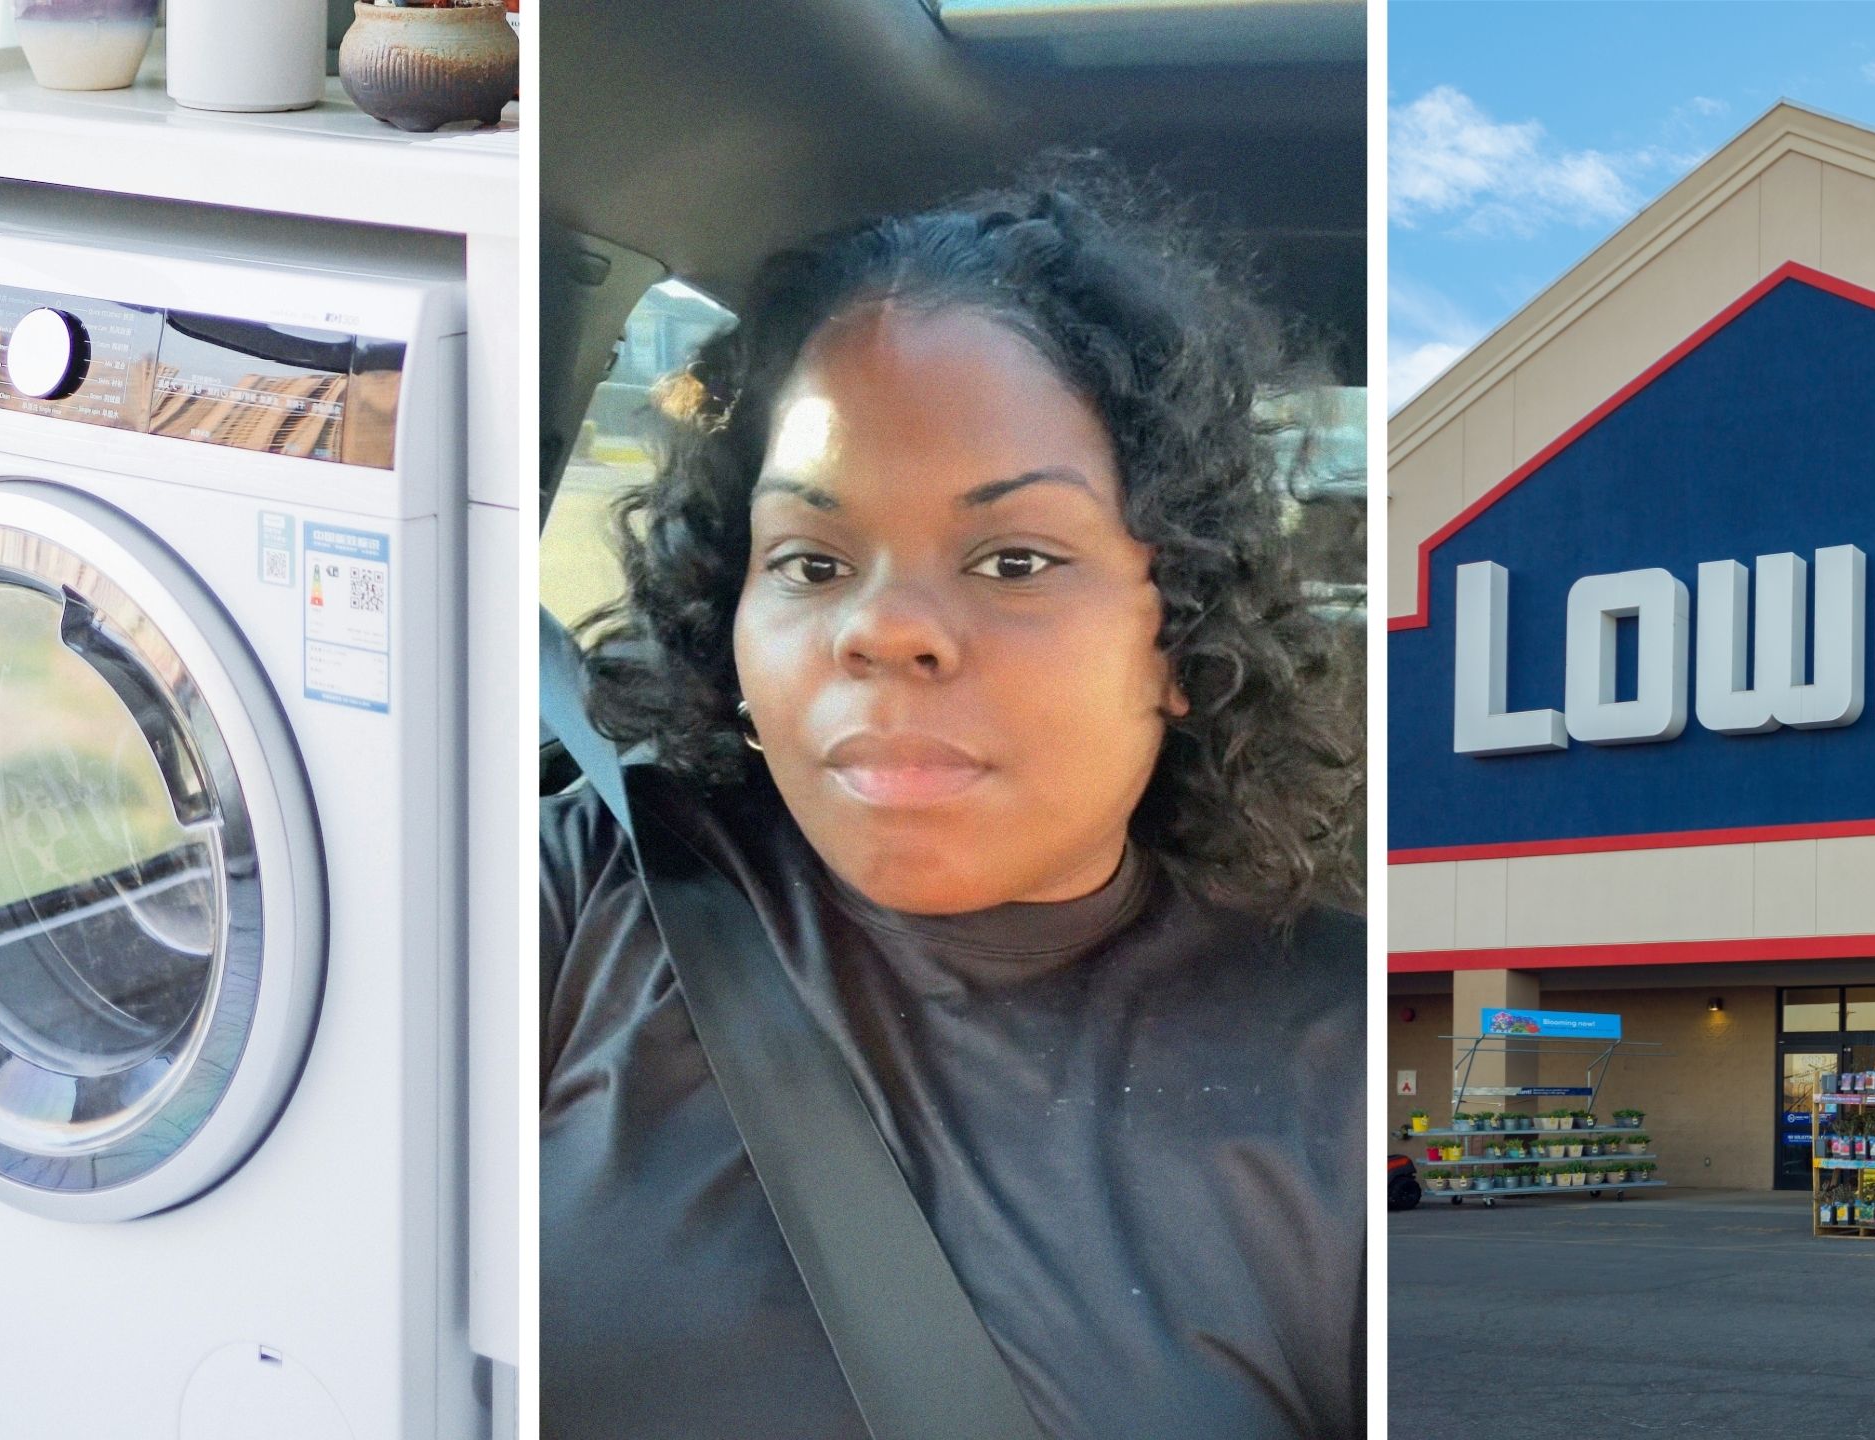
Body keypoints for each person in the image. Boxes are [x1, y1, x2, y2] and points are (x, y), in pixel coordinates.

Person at [540, 161, 1365, 1440]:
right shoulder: (589, 886)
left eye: (1014, 559)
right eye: (811, 561)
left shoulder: (1345, 1059)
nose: (884, 629)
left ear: (1183, 636)